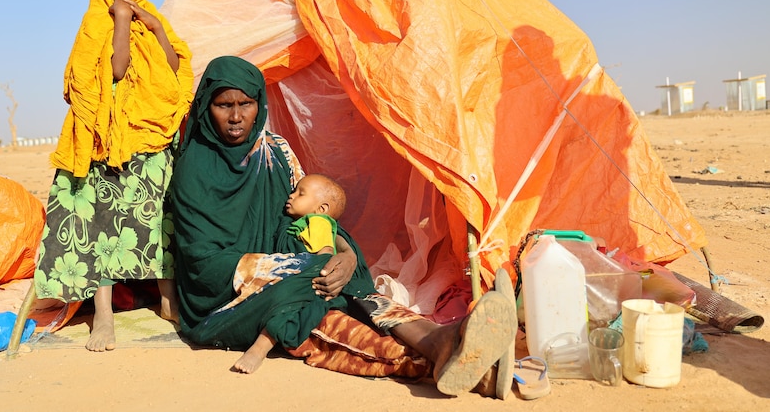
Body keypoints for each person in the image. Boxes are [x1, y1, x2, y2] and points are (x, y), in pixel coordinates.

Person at [171, 55, 518, 395]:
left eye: (245, 104)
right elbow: (202, 263)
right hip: (226, 299)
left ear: (258, 103)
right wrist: (296, 268)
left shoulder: (276, 152)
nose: (235, 117)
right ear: (206, 108)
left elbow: (308, 220)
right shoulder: (195, 168)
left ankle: (444, 345)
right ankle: (450, 355)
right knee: (321, 317)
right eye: (223, 105)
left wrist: (347, 254)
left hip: (296, 274)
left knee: (344, 291)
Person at [33, 0, 194, 352]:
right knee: (103, 221)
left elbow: (176, 68)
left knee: (161, 218)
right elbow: (116, 71)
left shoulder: (153, 16)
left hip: (150, 137)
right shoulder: (96, 22)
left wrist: (153, 26)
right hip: (106, 142)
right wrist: (122, 20)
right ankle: (102, 312)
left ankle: (167, 298)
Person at [231, 173, 347, 372]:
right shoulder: (302, 223)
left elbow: (324, 255)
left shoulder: (318, 222)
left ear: (321, 209)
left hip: (308, 282)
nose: (291, 196)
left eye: (300, 193)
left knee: (283, 311)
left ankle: (259, 349)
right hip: (297, 277)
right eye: (294, 191)